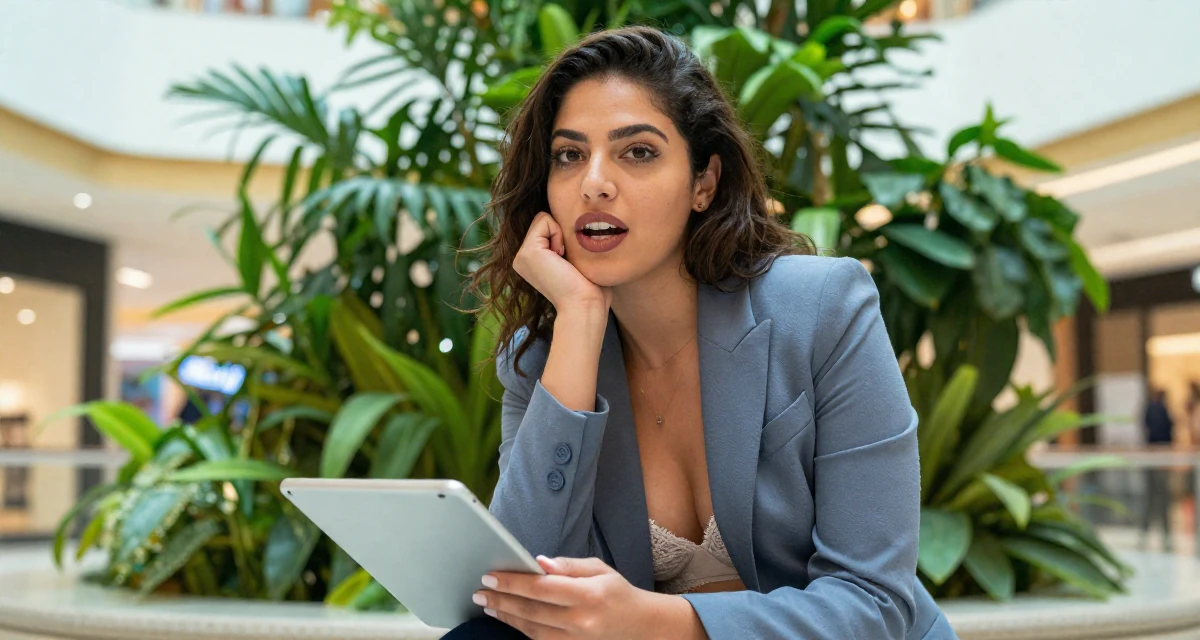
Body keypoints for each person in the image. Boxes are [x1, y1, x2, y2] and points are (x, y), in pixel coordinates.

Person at [453, 26, 955, 639]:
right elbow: (517, 599)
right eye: (569, 155)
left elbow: (874, 605)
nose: (595, 183)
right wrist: (581, 321)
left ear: (704, 183)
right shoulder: (543, 362)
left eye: (637, 151)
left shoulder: (823, 308)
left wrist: (662, 623)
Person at [1140, 388, 1174, 552]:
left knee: (1154, 496)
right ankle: (1161, 531)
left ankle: (1149, 530)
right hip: (1159, 459)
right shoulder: (1160, 410)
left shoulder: (1150, 409)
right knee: (1160, 496)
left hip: (1154, 458)